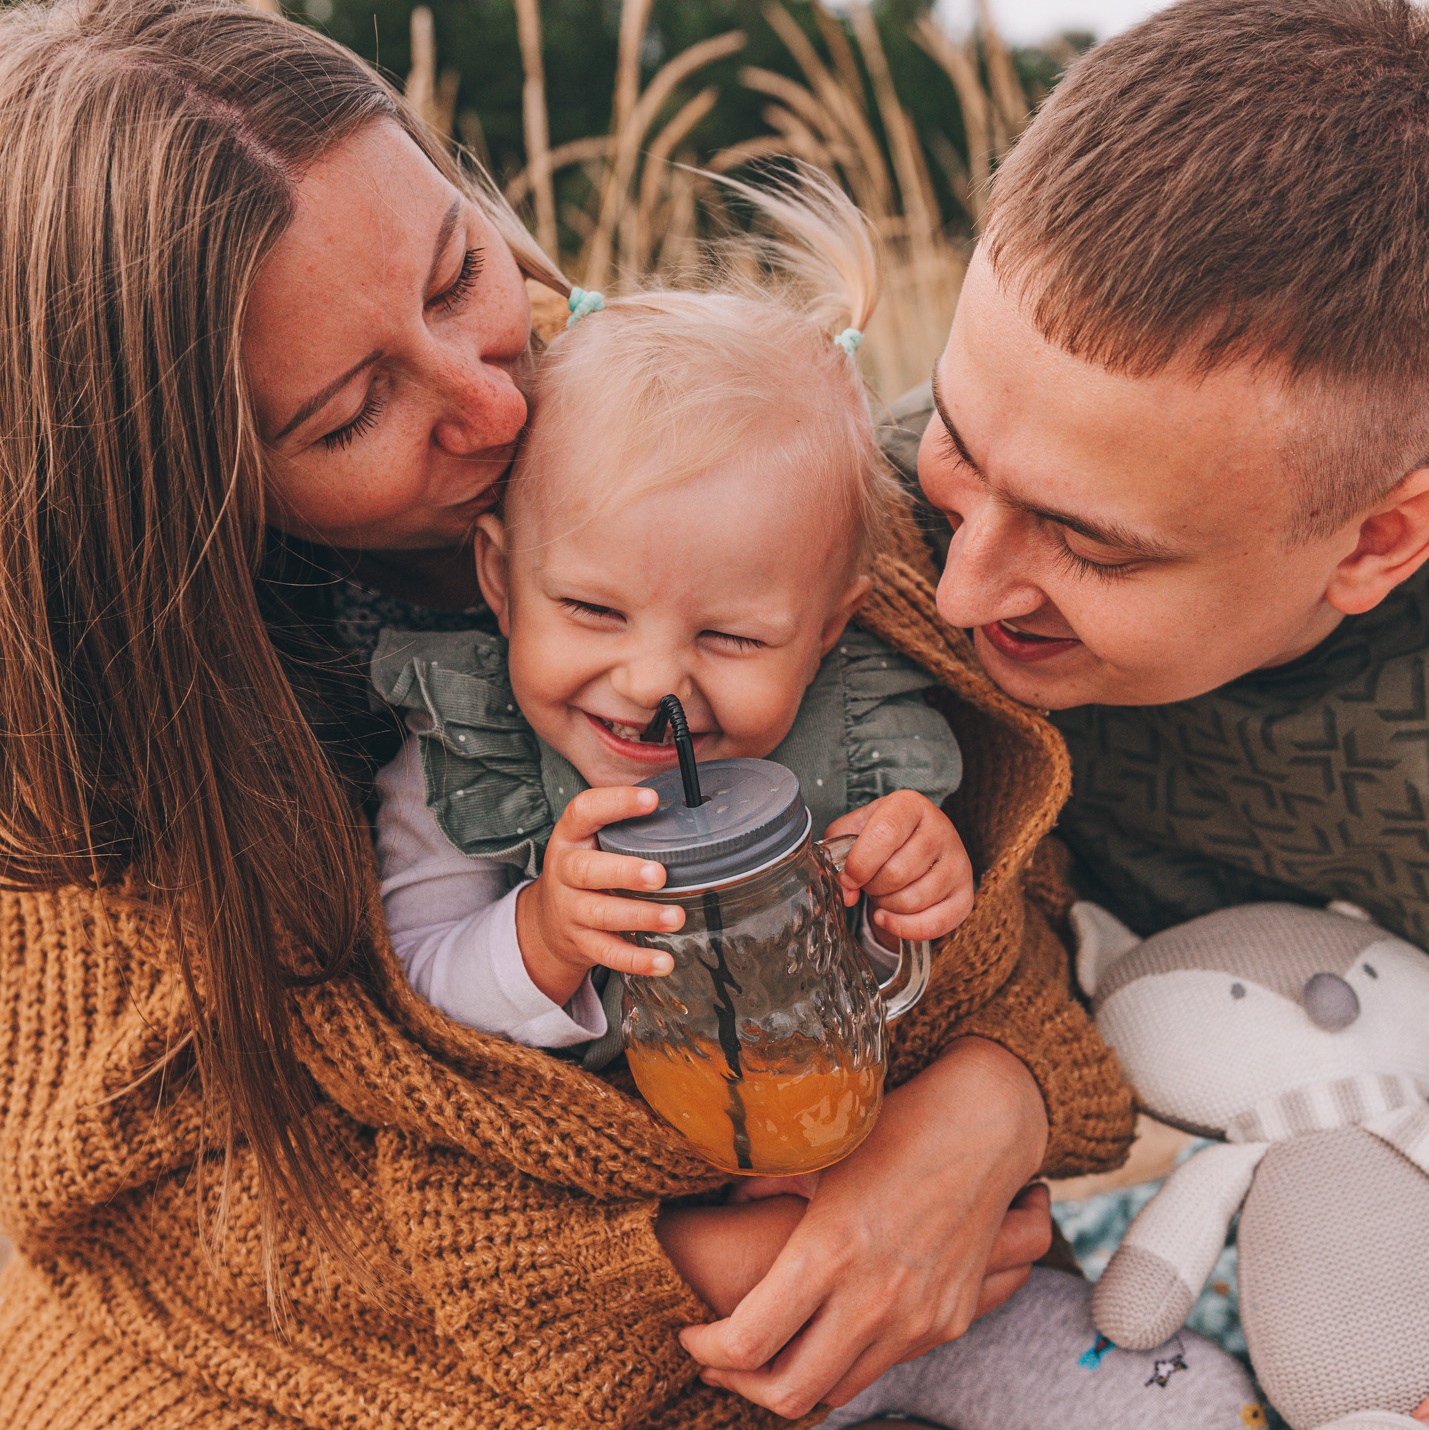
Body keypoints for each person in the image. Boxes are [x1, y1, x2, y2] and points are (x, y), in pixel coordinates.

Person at [0, 1, 1135, 1426]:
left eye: (454, 272)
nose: (489, 401)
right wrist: (670, 1259)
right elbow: (156, 1208)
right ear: (182, 495)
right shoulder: (96, 730)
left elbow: (987, 841)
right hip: (307, 1356)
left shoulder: (704, 434)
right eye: (352, 414)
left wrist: (986, 1102)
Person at [877, 0, 1429, 1420]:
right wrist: (1000, 1082)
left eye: (1090, 544)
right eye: (955, 437)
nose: (963, 584)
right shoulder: (852, 533)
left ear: (1373, 543)